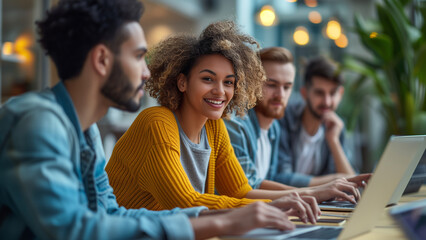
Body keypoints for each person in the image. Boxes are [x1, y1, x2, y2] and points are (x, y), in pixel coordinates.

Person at [0, 1, 300, 239]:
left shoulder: (85, 130)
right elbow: (74, 231)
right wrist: (223, 220)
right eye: (138, 56)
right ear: (102, 59)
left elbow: (111, 214)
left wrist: (222, 217)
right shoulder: (38, 123)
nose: (146, 72)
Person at [106, 20, 320, 224]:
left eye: (228, 82)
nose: (220, 91)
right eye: (208, 79)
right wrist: (271, 206)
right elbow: (186, 203)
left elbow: (240, 191)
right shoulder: (157, 123)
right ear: (182, 82)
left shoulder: (214, 126)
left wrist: (303, 197)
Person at [225, 47, 370, 202]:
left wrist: (318, 192)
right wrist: (316, 192)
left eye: (287, 87)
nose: (280, 95)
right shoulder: (237, 126)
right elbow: (249, 188)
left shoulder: (273, 128)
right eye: (272, 85)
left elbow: (265, 182)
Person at [278, 56, 356, 187]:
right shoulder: (283, 118)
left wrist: (334, 141)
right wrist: (334, 181)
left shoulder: (336, 127)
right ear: (304, 93)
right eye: (319, 93)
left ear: (340, 94)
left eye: (332, 93)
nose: (327, 102)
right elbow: (280, 177)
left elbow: (353, 185)